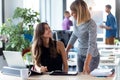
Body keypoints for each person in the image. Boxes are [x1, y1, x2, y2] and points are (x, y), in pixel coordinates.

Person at [65, 0, 100, 74]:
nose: (71, 14)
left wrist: (86, 63)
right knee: (80, 77)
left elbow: (92, 44)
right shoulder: (75, 20)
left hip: (91, 57)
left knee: (87, 77)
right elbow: (74, 35)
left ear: (80, 12)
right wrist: (66, 50)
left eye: (73, 12)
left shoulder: (91, 24)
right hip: (80, 54)